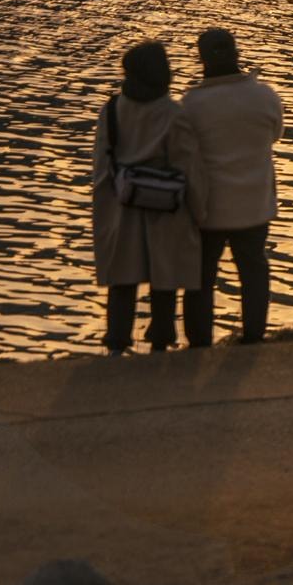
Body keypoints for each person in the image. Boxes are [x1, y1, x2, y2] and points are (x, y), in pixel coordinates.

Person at [91, 40, 204, 355]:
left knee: (122, 280)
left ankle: (116, 342)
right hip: (166, 209)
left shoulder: (112, 110)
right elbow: (189, 169)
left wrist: (104, 211)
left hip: (122, 206)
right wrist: (199, 212)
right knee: (164, 277)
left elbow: (102, 165)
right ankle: (160, 340)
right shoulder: (173, 114)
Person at [173, 27, 284, 347]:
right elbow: (274, 135)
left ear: (202, 59)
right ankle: (253, 336)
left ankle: (199, 344)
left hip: (208, 209)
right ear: (237, 54)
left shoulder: (192, 104)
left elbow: (183, 151)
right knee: (253, 270)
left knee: (200, 279)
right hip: (254, 204)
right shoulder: (265, 96)